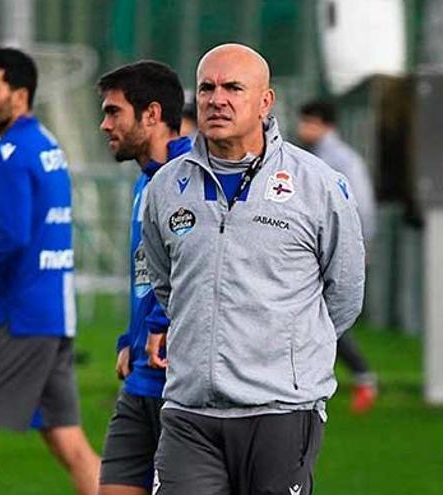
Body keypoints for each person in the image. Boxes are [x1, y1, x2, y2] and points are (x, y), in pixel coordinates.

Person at [140, 43, 365, 494]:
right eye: (207, 87)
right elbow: (165, 283)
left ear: (265, 102)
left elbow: (344, 292)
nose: (216, 99)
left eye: (233, 88)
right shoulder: (166, 186)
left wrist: (290, 357)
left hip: (280, 409)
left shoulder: (316, 185)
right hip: (190, 408)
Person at [0, 46, 99, 495]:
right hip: (53, 314)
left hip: (16, 318)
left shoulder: (8, 154)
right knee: (70, 443)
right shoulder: (46, 145)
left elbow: (12, 239)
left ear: (20, 95)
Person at [95, 60, 191, 495]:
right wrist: (130, 339)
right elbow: (152, 272)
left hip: (181, 389)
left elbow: (193, 271)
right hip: (140, 380)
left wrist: (159, 326)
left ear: (151, 114)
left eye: (114, 112)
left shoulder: (191, 179)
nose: (104, 124)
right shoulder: (145, 183)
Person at [297, 100, 379, 414]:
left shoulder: (340, 160)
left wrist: (356, 251)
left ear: (323, 124)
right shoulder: (316, 157)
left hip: (331, 254)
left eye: (307, 121)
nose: (302, 128)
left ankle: (362, 377)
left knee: (324, 320)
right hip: (316, 252)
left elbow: (363, 208)